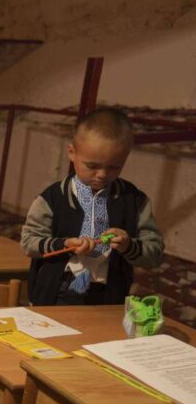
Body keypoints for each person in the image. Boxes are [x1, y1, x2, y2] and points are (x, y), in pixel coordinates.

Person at [20, 107, 163, 306]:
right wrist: (65, 244)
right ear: (72, 152)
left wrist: (129, 245)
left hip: (108, 293)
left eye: (114, 167)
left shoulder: (134, 201)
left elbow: (155, 254)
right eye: (92, 166)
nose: (103, 174)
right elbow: (28, 243)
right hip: (58, 290)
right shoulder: (53, 198)